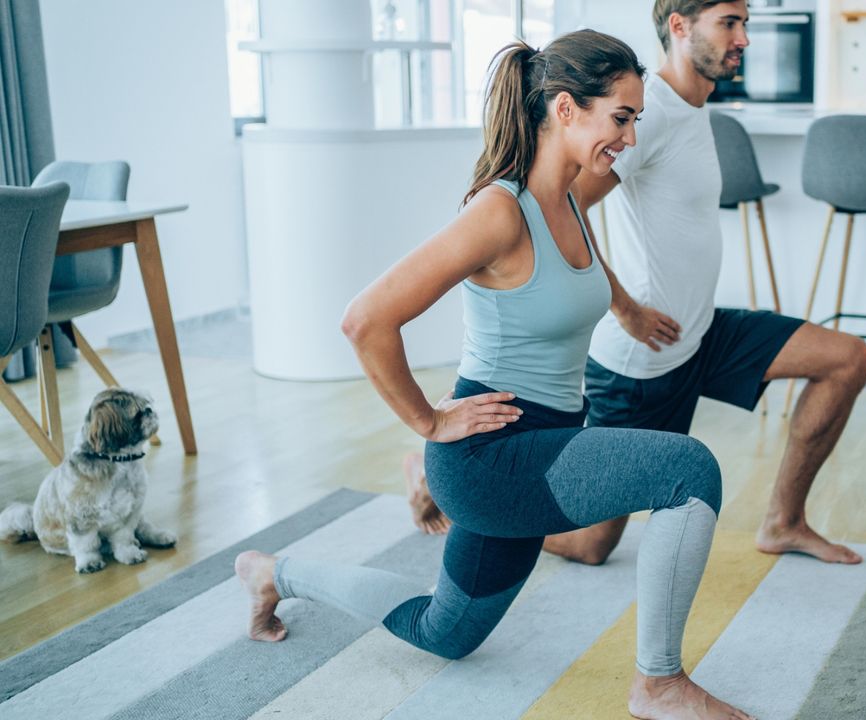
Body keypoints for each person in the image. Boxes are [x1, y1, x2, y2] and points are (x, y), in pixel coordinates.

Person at [236, 30, 754, 720]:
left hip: (536, 445)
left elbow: (585, 288)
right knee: (689, 471)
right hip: (492, 454)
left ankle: (274, 573)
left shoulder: (569, 198)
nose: (629, 139)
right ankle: (658, 682)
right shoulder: (498, 211)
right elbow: (366, 320)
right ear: (566, 109)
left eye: (635, 121)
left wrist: (629, 311)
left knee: (443, 633)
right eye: (621, 119)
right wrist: (429, 422)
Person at [408, 0, 866, 566]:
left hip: (699, 334)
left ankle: (784, 522)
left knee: (845, 359)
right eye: (729, 22)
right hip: (642, 361)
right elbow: (566, 207)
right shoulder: (642, 119)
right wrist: (624, 307)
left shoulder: (682, 108)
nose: (744, 38)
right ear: (680, 27)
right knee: (592, 544)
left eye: (745, 22)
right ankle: (452, 492)